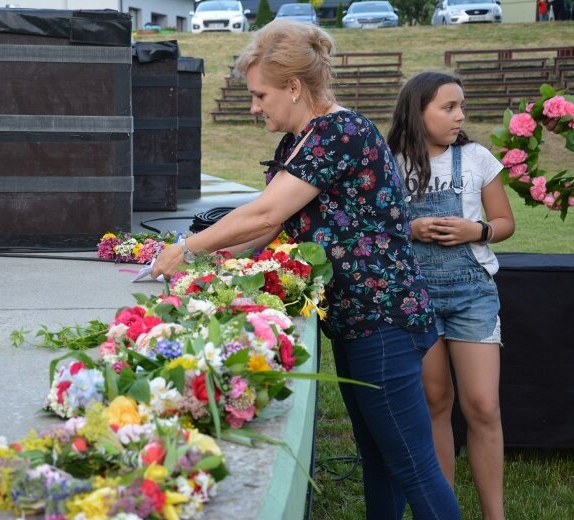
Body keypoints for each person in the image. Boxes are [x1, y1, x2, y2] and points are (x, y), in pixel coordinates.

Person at [152, 20, 461, 520]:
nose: (254, 107)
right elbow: (270, 226)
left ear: (294, 88)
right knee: (380, 460)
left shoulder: (338, 132)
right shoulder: (301, 139)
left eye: (260, 95)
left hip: (382, 323)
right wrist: (217, 263)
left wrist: (187, 248)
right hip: (359, 323)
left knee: (413, 467)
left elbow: (265, 214)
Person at [387, 72, 515, 520]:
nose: (459, 116)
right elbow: (378, 228)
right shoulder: (392, 163)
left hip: (472, 295)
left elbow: (504, 222)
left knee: (482, 404)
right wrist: (411, 228)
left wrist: (475, 230)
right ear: (417, 110)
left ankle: (493, 515)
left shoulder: (477, 157)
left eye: (461, 106)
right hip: (416, 295)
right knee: (434, 403)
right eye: (448, 107)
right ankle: (443, 512)